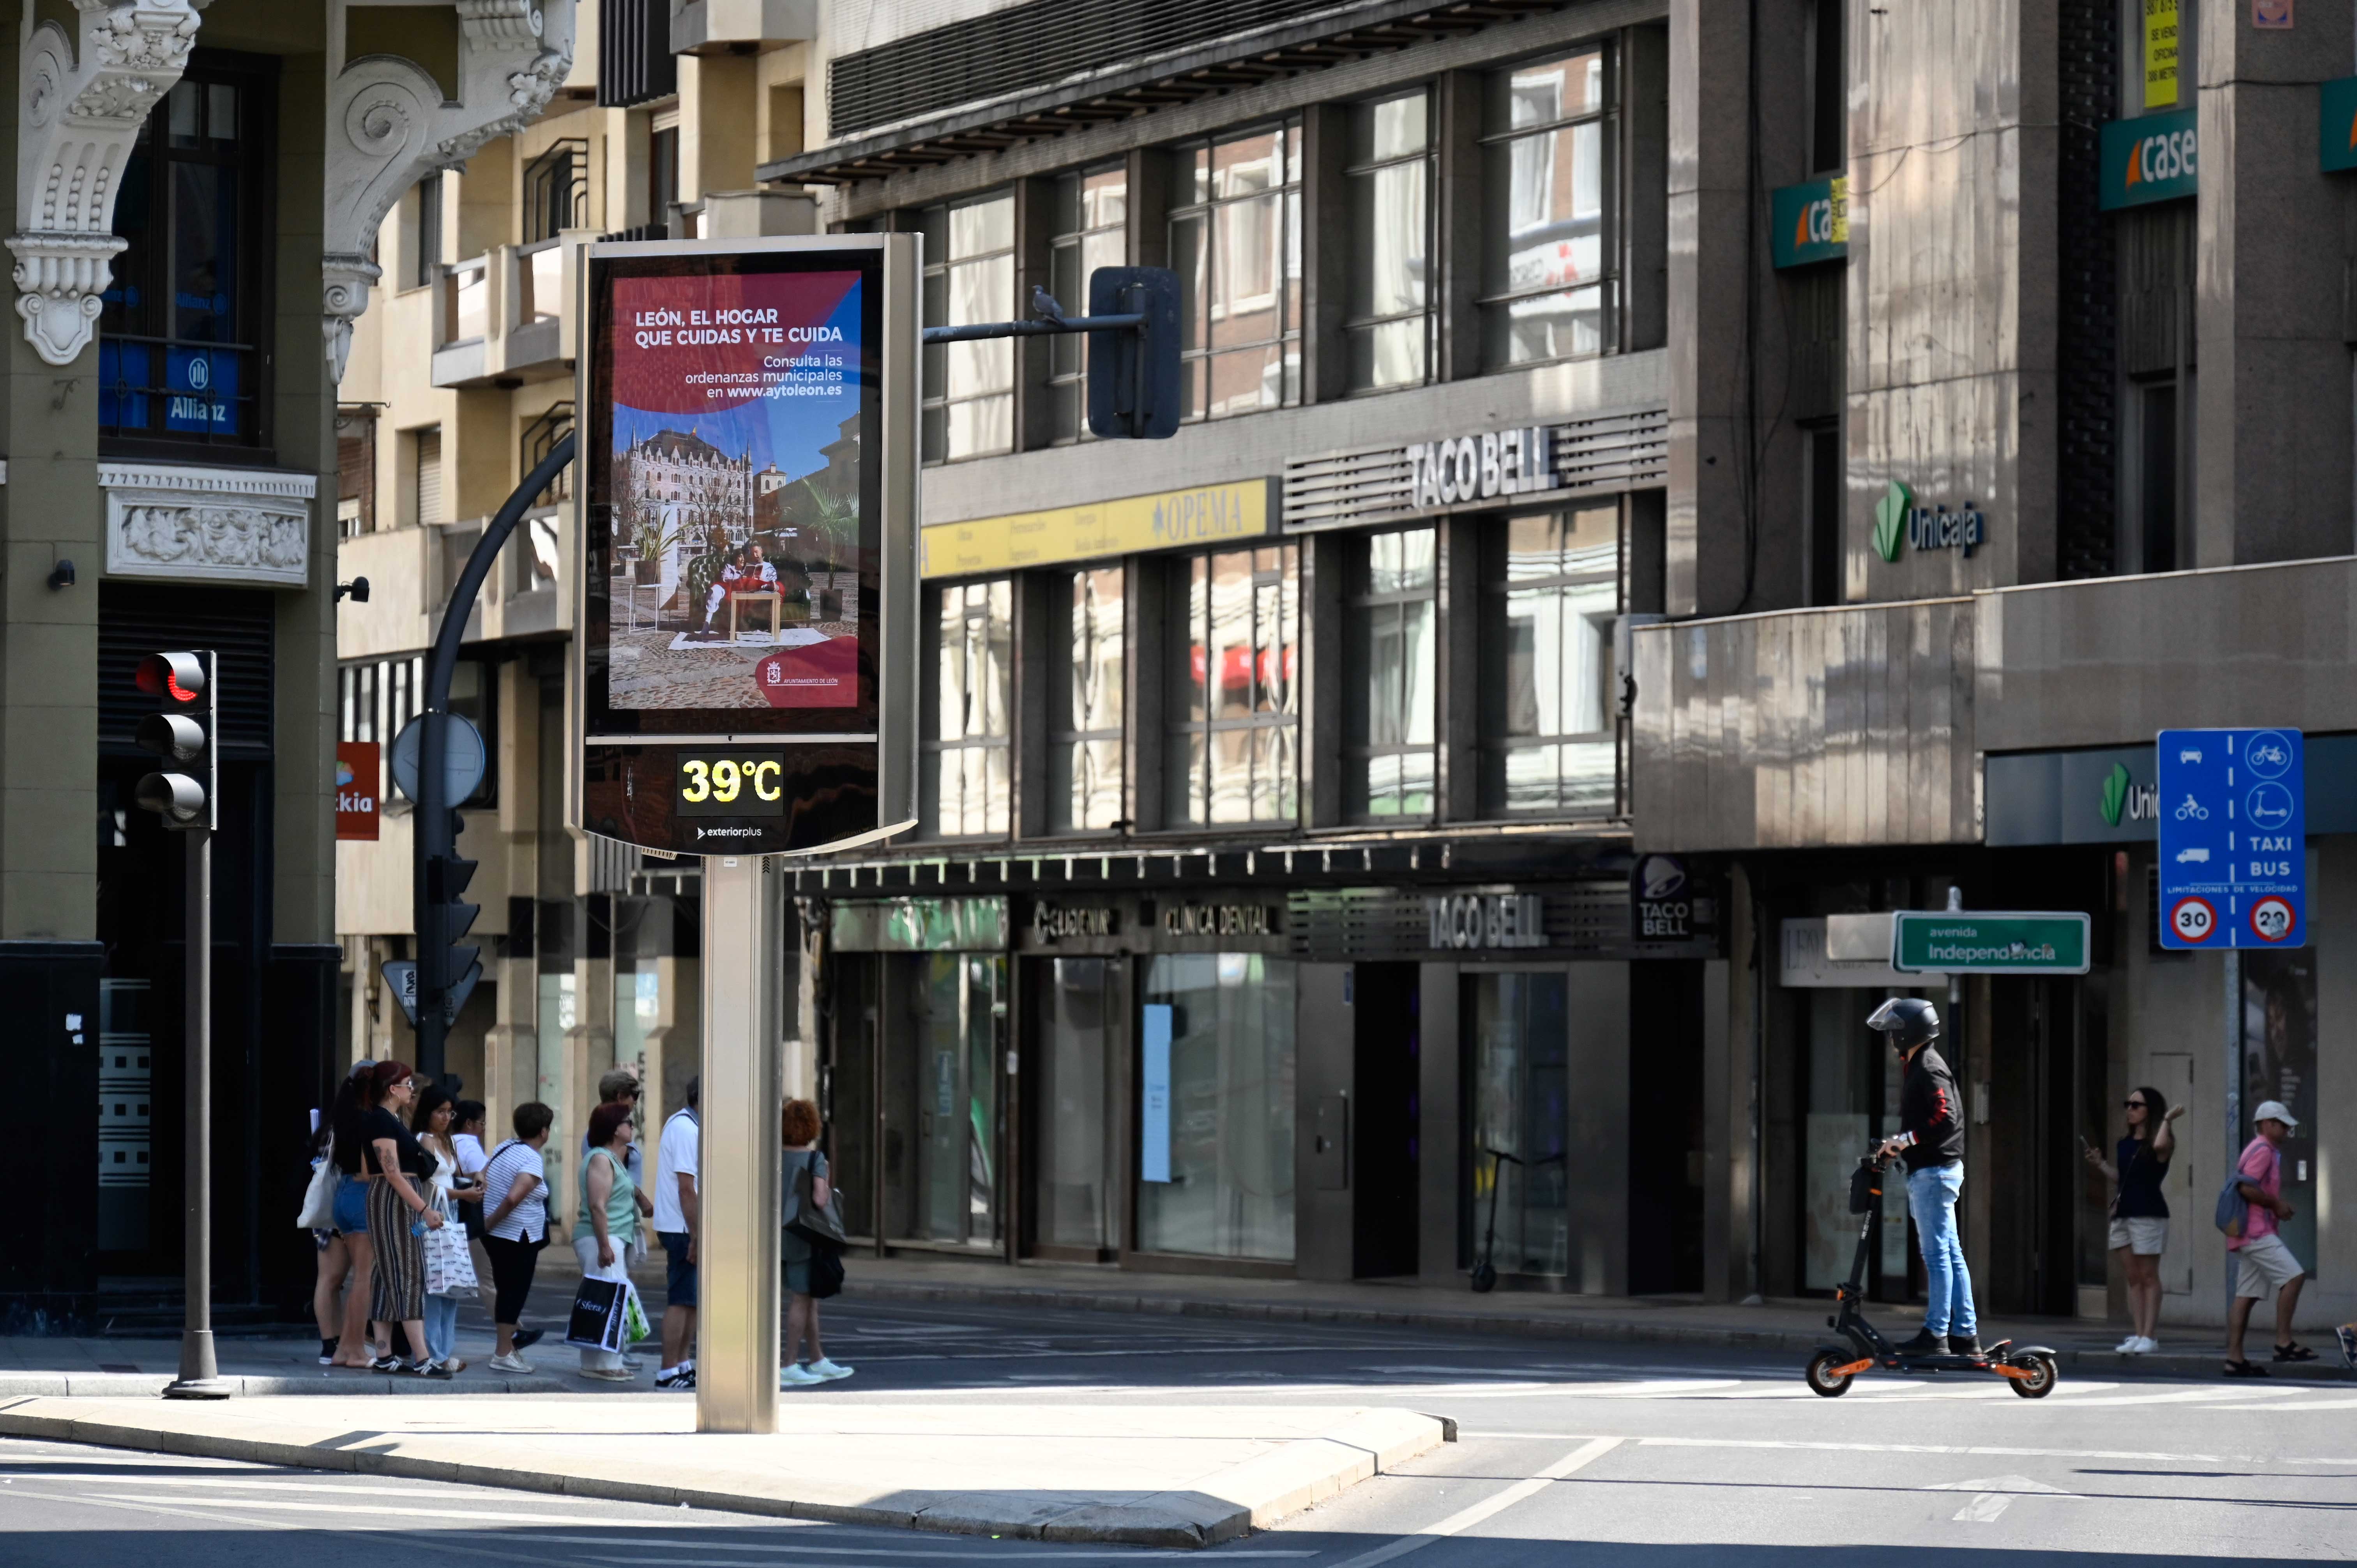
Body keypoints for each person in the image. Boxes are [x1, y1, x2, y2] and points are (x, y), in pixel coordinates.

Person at [1869, 998, 1979, 1358]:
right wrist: (1900, 1142)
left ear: (1908, 1033)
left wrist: (1907, 1141)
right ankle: (1965, 1334)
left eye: (1894, 1031)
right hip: (1936, 1169)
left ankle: (1936, 1334)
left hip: (1934, 1172)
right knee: (1950, 1253)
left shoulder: (1929, 1068)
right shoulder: (1922, 1064)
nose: (1891, 1038)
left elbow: (1946, 1118)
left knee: (1937, 1256)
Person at [361, 1061, 450, 1377]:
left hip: (395, 1197)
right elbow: (392, 1173)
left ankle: (384, 1354)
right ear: (392, 1089)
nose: (412, 1089)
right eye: (407, 1084)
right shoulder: (381, 1121)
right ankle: (423, 1358)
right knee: (408, 1272)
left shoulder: (389, 1119)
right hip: (394, 1198)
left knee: (386, 1275)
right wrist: (425, 1209)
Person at [2083, 1085, 2183, 1354]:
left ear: (2150, 1111)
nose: (2130, 1110)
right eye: (2128, 1104)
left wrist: (2166, 1119)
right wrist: (2101, 1164)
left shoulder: (2160, 1142)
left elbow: (2160, 1146)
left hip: (2149, 1214)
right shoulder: (2124, 1144)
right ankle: (2139, 1334)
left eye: (2137, 1105)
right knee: (2133, 1277)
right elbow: (2122, 1179)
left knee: (2149, 1275)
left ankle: (2150, 1335)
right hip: (2123, 1214)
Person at [2224, 1100, 2314, 1376]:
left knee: (2246, 1296)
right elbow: (2245, 1188)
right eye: (2282, 1125)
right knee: (2294, 1277)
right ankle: (2283, 1343)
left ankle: (2234, 1360)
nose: (2287, 1130)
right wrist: (2276, 1205)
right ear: (2266, 1124)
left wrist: (2276, 1206)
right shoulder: (2263, 1150)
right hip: (2257, 1232)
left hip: (2250, 1232)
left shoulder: (2259, 1148)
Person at [780, 1097, 852, 1387]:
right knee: (802, 1299)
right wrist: (827, 1177)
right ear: (812, 1127)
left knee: (808, 1298)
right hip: (803, 1237)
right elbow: (821, 1200)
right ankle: (789, 1364)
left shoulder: (773, 1157)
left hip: (777, 1236)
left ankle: (817, 1358)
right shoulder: (815, 1160)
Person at [482, 1102, 556, 1375]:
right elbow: (514, 1198)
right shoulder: (531, 1159)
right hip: (517, 1235)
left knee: (506, 1291)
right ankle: (503, 1353)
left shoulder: (505, 1147)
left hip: (499, 1235)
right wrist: (490, 1222)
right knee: (513, 1294)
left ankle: (507, 1350)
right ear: (543, 1131)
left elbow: (483, 1176)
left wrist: (487, 1224)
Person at [412, 1084, 479, 1373]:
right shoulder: (424, 1140)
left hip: (450, 1216)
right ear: (428, 1112)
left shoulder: (448, 1141)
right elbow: (427, 1186)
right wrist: (464, 1194)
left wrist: (472, 1182)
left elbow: (452, 1176)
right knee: (435, 1287)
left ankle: (445, 1350)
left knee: (451, 1285)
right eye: (440, 1111)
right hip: (432, 1216)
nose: (445, 1117)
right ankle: (433, 1352)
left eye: (449, 1112)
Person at [576, 1100, 642, 1381]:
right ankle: (604, 1364)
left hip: (612, 1236)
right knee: (609, 1300)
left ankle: (598, 1362)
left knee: (605, 1299)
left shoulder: (612, 1159)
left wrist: (642, 1201)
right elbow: (597, 1206)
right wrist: (604, 1245)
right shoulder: (601, 1159)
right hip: (602, 1237)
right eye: (628, 1122)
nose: (632, 1126)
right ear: (615, 1129)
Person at [327, 1060, 386, 1368]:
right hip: (363, 1196)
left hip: (344, 1195)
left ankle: (344, 1350)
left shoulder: (344, 1115)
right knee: (364, 1279)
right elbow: (367, 1172)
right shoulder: (370, 1119)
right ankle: (357, 1352)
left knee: (357, 1279)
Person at [652, 1076, 701, 1390]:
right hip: (682, 1227)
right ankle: (668, 1371)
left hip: (685, 1225)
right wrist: (696, 1235)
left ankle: (682, 1364)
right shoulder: (686, 1129)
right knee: (681, 1300)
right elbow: (687, 1188)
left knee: (692, 1300)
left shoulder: (688, 1125)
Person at [451, 1100, 500, 1321]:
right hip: (471, 1219)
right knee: (487, 1278)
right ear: (469, 1123)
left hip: (456, 1217)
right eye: (482, 1123)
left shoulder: (448, 1142)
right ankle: (511, 1330)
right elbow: (485, 1182)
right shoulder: (470, 1145)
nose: (484, 1128)